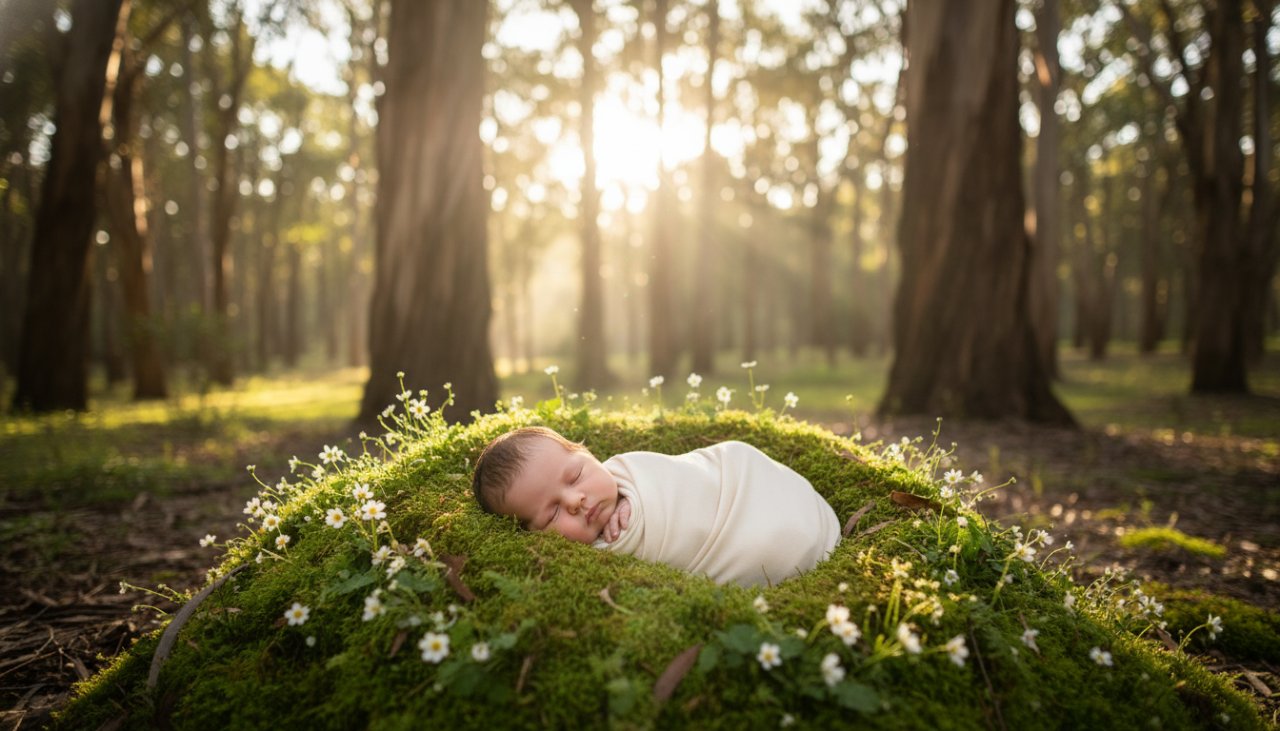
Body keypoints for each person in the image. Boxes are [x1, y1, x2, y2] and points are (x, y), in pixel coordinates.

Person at [471, 426, 840, 588]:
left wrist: (638, 500)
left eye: (576, 474)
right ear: (530, 535)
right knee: (767, 546)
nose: (575, 501)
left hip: (742, 483)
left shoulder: (632, 469)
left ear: (588, 453)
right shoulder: (591, 560)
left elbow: (688, 478)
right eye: (551, 513)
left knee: (736, 455)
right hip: (750, 546)